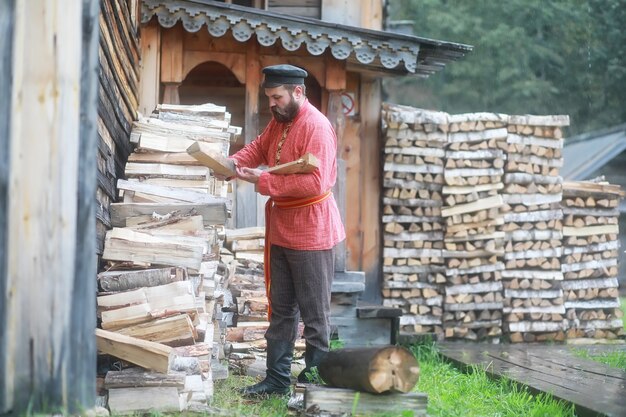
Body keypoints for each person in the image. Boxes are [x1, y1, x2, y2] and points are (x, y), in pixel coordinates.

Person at [224, 64, 345, 396]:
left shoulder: (317, 127)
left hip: (312, 232)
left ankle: (316, 382)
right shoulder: (279, 122)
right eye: (268, 98)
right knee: (280, 309)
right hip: (281, 231)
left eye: (276, 97)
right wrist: (231, 165)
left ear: (298, 93)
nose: (272, 104)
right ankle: (277, 381)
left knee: (315, 313)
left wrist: (262, 180)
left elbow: (316, 181)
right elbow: (258, 149)